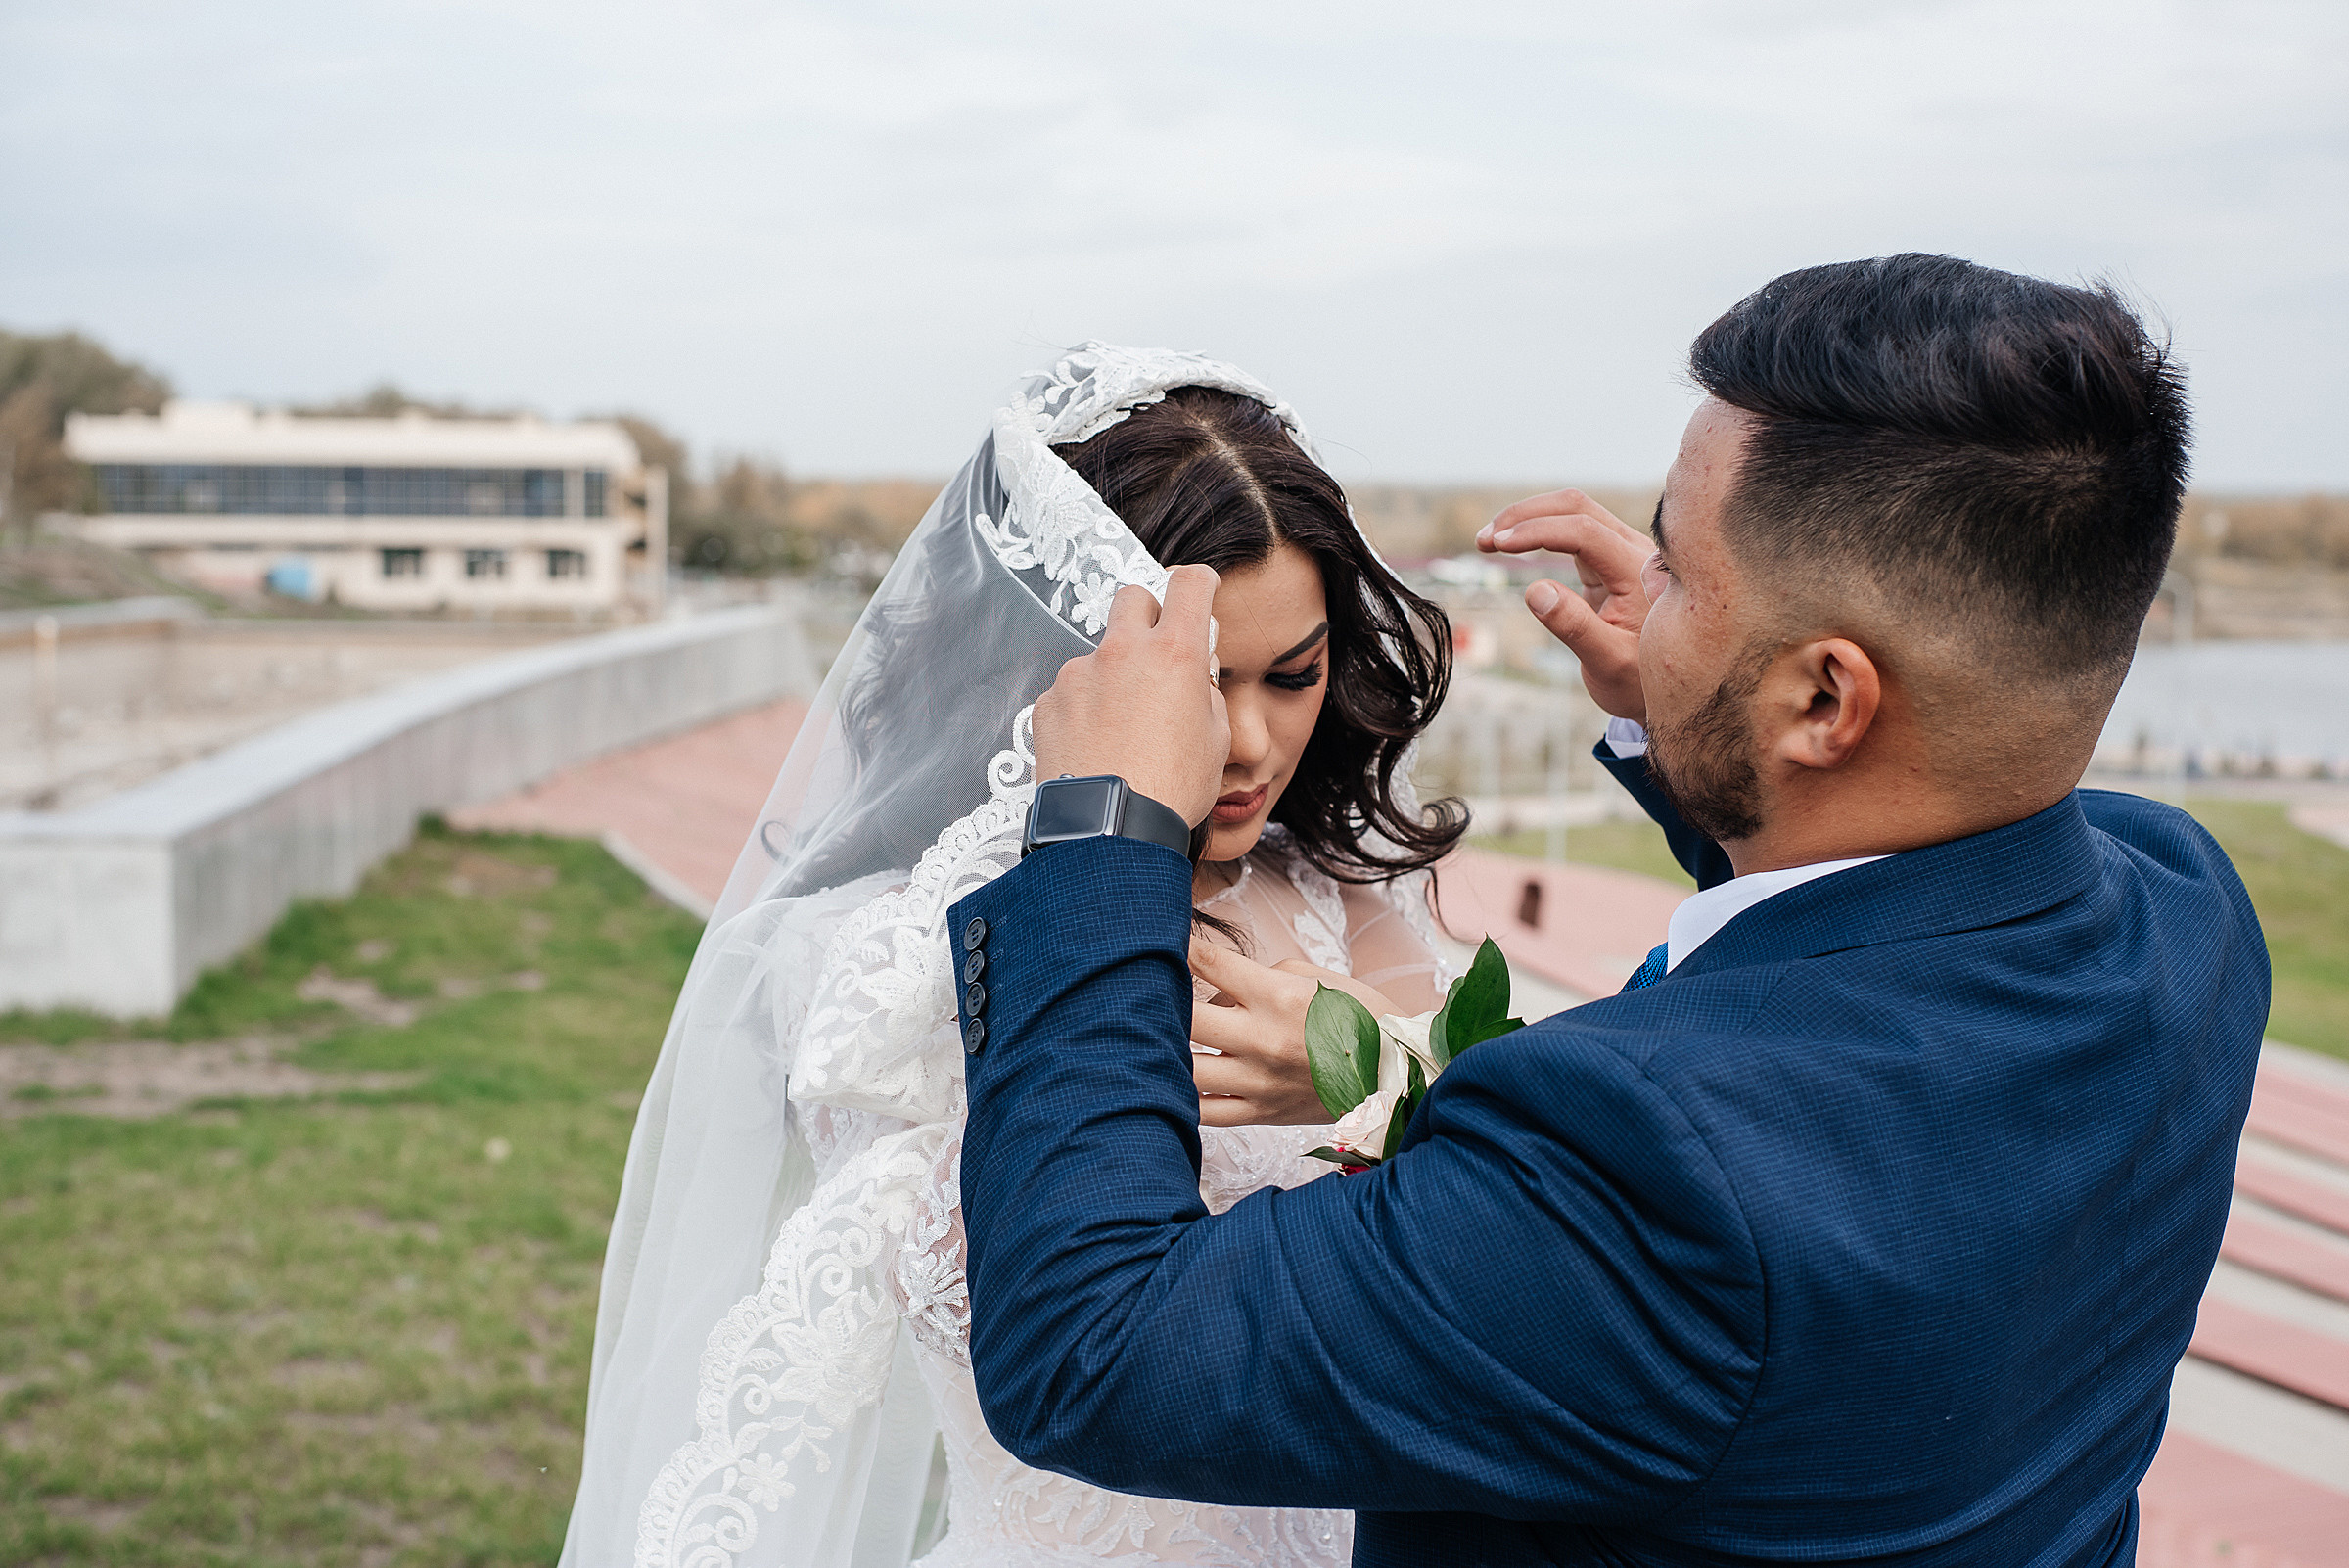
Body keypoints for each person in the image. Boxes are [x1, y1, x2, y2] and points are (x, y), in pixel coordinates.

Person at [946, 255, 2272, 1566]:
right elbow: (1892, 917)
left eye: (1681, 575)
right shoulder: (2185, 908)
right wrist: (1710, 701)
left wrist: (1110, 828)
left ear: (1825, 700)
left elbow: (1095, 1351)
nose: (1642, 598)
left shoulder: (1661, 1175)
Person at [560, 344, 1468, 1568]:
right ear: (1043, 665)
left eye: (1293, 675)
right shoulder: (879, 958)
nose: (1252, 742)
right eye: (1201, 685)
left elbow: (1497, 1208)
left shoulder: (1341, 896)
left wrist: (1383, 1074)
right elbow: (1007, 1306)